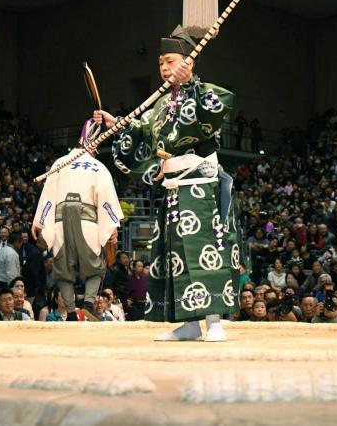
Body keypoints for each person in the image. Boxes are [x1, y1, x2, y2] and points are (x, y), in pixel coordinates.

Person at [95, 26, 239, 342]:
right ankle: (188, 323)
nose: (163, 67)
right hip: (172, 190)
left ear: (188, 62)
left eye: (170, 60)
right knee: (174, 256)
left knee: (203, 252)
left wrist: (191, 84)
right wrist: (116, 124)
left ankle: (214, 322)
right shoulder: (160, 106)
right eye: (160, 62)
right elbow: (144, 136)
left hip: (199, 186)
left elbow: (216, 110)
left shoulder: (203, 92)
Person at [32, 122, 122, 321]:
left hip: (60, 221)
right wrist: (111, 226)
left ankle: (71, 312)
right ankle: (89, 303)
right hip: (87, 220)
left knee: (63, 270)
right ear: (94, 146)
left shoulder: (60, 163)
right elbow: (106, 199)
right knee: (96, 267)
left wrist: (39, 222)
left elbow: (48, 195)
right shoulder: (98, 167)